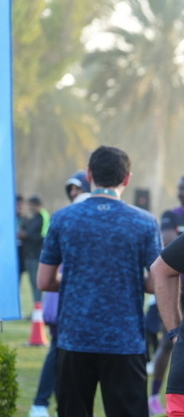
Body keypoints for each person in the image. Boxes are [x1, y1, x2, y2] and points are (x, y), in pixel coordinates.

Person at [37, 145, 162, 416]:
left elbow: (44, 281)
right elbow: (156, 284)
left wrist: (80, 278)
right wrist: (122, 278)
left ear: (89, 174)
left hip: (74, 339)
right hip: (125, 341)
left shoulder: (62, 218)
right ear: (127, 178)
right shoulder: (145, 222)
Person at [29, 170, 91, 417]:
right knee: (58, 352)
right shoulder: (65, 219)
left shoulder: (75, 219)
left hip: (75, 300)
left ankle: (48, 404)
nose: (74, 193)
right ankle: (40, 403)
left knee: (65, 357)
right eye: (71, 189)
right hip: (62, 299)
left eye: (78, 188)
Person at [148, 174, 184, 415]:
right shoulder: (171, 215)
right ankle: (153, 396)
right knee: (168, 342)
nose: (180, 193)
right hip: (176, 292)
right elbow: (171, 245)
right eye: (179, 188)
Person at [19, 195, 50, 305]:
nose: (31, 208)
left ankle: (39, 308)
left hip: (37, 255)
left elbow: (44, 237)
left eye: (32, 205)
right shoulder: (31, 218)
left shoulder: (43, 216)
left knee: (38, 284)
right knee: (33, 283)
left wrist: (26, 235)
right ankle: (36, 307)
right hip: (29, 255)